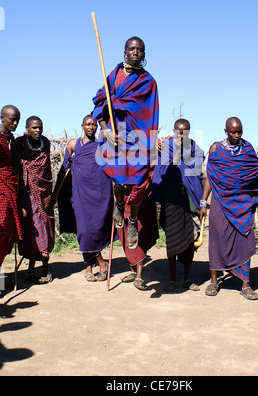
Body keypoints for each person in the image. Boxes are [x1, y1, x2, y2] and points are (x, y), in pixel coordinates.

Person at [92, 37, 159, 250]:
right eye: (132, 48)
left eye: (140, 49)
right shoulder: (114, 76)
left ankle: (132, 220)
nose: (136, 52)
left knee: (139, 183)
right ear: (124, 52)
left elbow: (151, 113)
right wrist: (105, 130)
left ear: (144, 54)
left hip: (140, 137)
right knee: (118, 179)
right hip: (117, 133)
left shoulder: (148, 82)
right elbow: (100, 102)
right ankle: (119, 205)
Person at [199, 117, 258, 300]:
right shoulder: (216, 149)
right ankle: (214, 281)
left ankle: (246, 285)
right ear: (226, 131)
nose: (237, 135)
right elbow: (210, 177)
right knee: (216, 240)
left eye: (239, 132)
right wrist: (203, 201)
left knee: (245, 239)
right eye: (233, 132)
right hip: (220, 203)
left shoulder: (247, 148)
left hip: (242, 203)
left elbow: (256, 171)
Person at [53, 115, 115, 282]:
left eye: (94, 125)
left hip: (100, 194)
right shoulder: (74, 144)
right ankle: (102, 263)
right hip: (79, 194)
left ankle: (88, 267)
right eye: (88, 124)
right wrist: (55, 193)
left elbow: (112, 167)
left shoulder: (102, 145)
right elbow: (64, 168)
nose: (91, 127)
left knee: (96, 230)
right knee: (84, 232)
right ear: (82, 126)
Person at [153, 119, 205, 292]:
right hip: (172, 199)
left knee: (191, 240)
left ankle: (187, 278)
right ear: (174, 131)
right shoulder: (165, 147)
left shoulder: (195, 149)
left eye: (185, 132)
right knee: (172, 239)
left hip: (190, 199)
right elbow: (163, 172)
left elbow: (196, 173)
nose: (181, 135)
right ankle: (173, 278)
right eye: (178, 132)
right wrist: (175, 154)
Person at [15, 116, 55, 283]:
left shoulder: (45, 143)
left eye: (40, 127)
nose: (38, 130)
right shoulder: (19, 144)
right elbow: (15, 167)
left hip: (44, 196)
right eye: (34, 128)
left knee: (43, 231)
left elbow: (46, 173)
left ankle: (46, 268)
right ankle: (31, 269)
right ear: (27, 128)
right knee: (32, 233)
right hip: (26, 196)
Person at [118, 165, 159, 290]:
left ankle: (139, 276)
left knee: (140, 233)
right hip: (124, 194)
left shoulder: (149, 149)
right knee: (125, 232)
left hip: (143, 196)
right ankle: (133, 270)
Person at [0, 105, 22, 268]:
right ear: (2, 118)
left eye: (17, 120)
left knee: (6, 235)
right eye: (12, 119)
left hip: (11, 189)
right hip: (1, 190)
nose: (15, 123)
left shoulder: (13, 141)